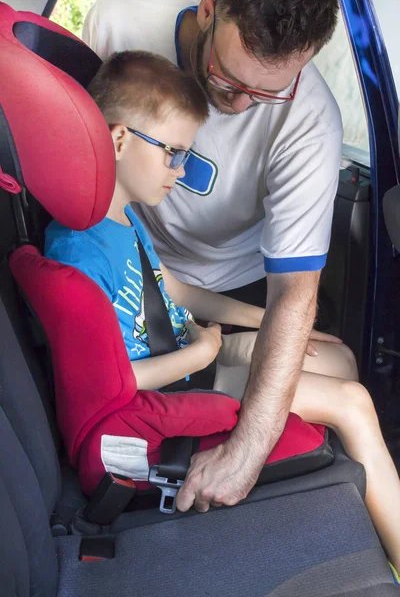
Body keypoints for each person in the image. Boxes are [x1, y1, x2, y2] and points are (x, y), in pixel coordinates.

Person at [44, 51, 400, 573]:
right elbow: (112, 383)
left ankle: (366, 499)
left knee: (336, 357)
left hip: (188, 361)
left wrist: (273, 323)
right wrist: (206, 347)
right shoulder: (78, 253)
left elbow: (176, 293)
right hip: (160, 403)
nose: (181, 170)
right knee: (352, 401)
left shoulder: (124, 220)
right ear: (118, 140)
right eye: (172, 153)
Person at [81, 0, 353, 511]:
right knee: (343, 402)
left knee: (338, 361)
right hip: (146, 277)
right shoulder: (121, 23)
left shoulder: (310, 121)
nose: (241, 105)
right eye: (227, 80)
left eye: (268, 94)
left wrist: (247, 451)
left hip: (227, 282)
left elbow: (294, 290)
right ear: (209, 9)